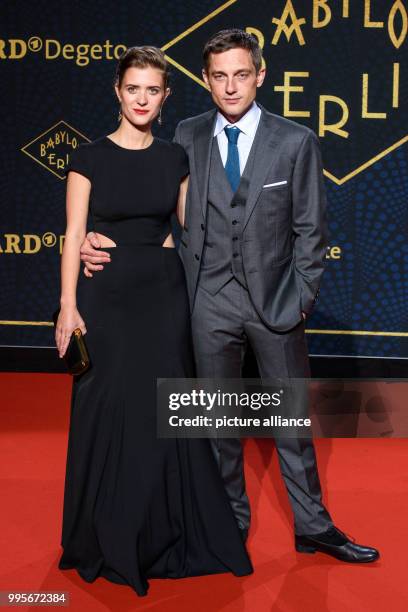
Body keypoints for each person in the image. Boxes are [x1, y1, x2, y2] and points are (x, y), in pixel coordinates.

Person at [80, 31, 379, 564]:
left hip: (276, 304)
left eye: (242, 74)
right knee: (216, 423)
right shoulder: (188, 136)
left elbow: (312, 230)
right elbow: (154, 209)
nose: (231, 85)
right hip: (206, 301)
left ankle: (312, 525)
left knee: (289, 423)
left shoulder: (294, 141)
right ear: (206, 81)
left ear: (260, 75)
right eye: (219, 76)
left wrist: (302, 298)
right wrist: (94, 239)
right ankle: (227, 523)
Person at [55, 45, 252, 598]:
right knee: (110, 411)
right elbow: (73, 237)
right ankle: (106, 533)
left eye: (153, 90)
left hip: (165, 298)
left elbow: (190, 229)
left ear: (165, 99)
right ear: (118, 92)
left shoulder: (175, 158)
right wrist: (68, 305)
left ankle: (168, 529)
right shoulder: (87, 157)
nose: (142, 98)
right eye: (133, 87)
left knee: (167, 411)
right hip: (106, 301)